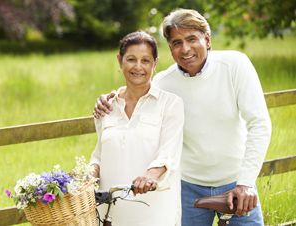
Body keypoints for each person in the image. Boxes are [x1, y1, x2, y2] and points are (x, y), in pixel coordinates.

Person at [94, 9, 272, 226]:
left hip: (237, 182)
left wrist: (246, 182)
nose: (185, 49)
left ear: (207, 40)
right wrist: (110, 98)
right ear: (170, 49)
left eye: (191, 39)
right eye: (177, 42)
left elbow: (260, 124)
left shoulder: (235, 65)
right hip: (188, 187)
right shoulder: (164, 82)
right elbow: (138, 90)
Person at [90, 31, 184, 226]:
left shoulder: (170, 104)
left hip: (153, 208)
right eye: (131, 59)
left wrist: (149, 177)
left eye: (146, 61)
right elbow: (99, 153)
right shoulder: (107, 105)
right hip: (110, 210)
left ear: (155, 64)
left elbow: (168, 152)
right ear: (120, 60)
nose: (138, 67)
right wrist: (87, 175)